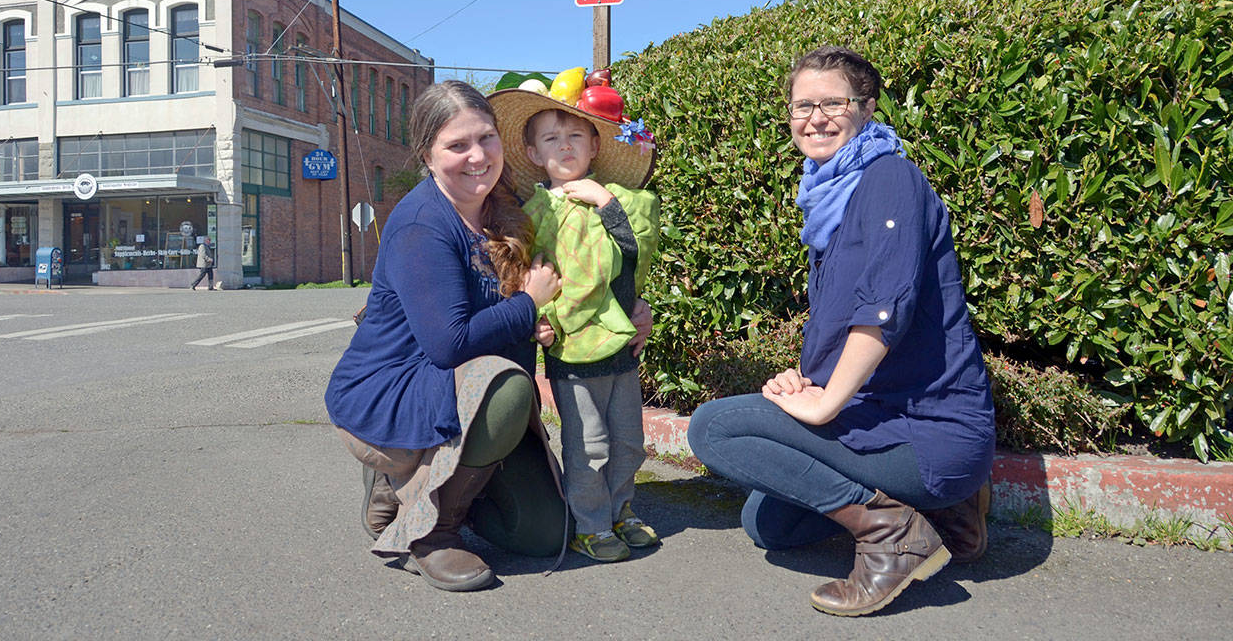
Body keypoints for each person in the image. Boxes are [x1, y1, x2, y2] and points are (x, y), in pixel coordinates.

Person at [688, 46, 995, 617]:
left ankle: (892, 534)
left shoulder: (889, 179)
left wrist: (826, 402)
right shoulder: (831, 196)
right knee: (768, 525)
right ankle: (948, 510)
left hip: (929, 431)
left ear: (868, 107)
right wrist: (807, 378)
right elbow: (844, 321)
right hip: (878, 415)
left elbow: (884, 310)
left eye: (834, 102)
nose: (816, 117)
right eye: (802, 105)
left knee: (716, 428)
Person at [326, 81, 650, 592]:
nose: (477, 156)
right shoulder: (421, 225)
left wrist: (632, 303)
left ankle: (418, 486)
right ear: (427, 155)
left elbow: (583, 262)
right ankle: (432, 530)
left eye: (486, 139)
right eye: (457, 145)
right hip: (398, 388)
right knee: (508, 389)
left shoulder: (506, 203)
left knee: (544, 534)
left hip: (470, 394)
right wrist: (529, 305)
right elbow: (448, 344)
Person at [490, 83, 659, 563]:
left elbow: (636, 257)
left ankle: (622, 510)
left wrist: (606, 204)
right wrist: (538, 322)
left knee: (628, 438)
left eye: (575, 135)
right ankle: (591, 523)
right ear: (531, 153)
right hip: (571, 346)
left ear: (595, 145)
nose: (564, 145)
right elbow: (525, 274)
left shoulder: (621, 200)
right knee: (588, 442)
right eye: (550, 138)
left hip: (621, 341)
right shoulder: (534, 214)